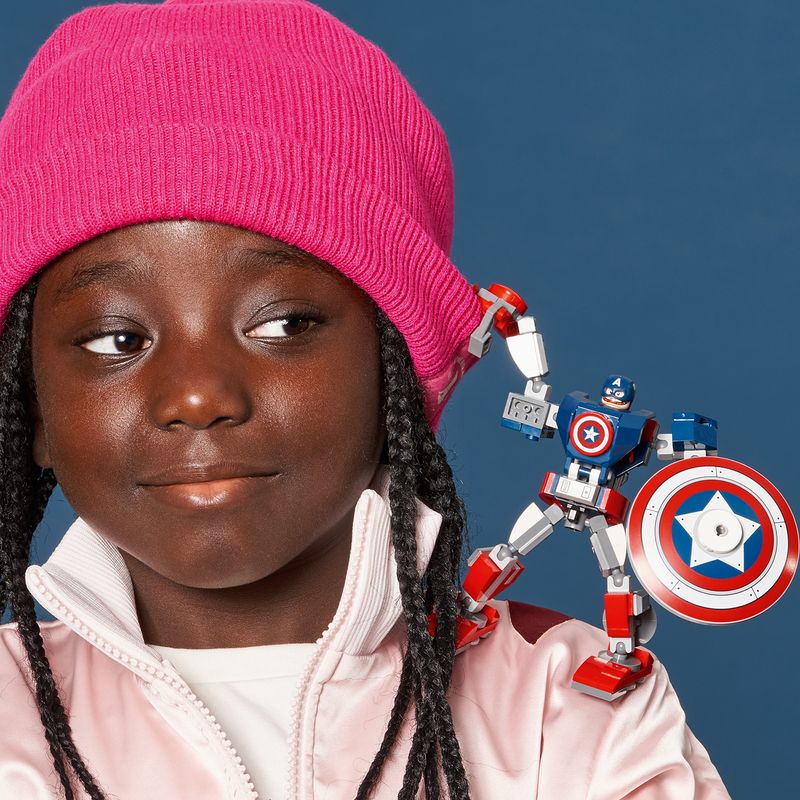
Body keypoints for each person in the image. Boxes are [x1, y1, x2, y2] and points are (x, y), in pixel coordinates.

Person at [0, 1, 732, 798]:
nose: (200, 395)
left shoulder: (565, 709)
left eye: (283, 324)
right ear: (31, 407)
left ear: (399, 374)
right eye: (115, 339)